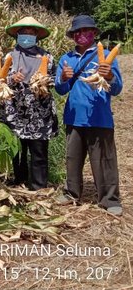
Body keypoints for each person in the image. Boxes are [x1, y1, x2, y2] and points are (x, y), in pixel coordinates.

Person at [54, 15, 123, 215]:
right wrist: (62, 79)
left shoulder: (107, 56)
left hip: (99, 117)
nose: (82, 35)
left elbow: (117, 89)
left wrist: (109, 75)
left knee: (104, 159)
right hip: (74, 117)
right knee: (72, 159)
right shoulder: (66, 58)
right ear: (73, 36)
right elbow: (60, 90)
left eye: (86, 31)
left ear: (94, 34)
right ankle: (71, 193)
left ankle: (109, 199)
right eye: (78, 32)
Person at [0, 17, 58, 190]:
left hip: (39, 111)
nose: (27, 36)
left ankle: (39, 185)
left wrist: (44, 82)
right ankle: (19, 181)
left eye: (31, 33)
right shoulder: (10, 56)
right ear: (17, 35)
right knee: (18, 149)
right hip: (16, 110)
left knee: (38, 150)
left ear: (37, 36)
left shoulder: (47, 57)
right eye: (23, 33)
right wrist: (12, 78)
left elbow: (55, 79)